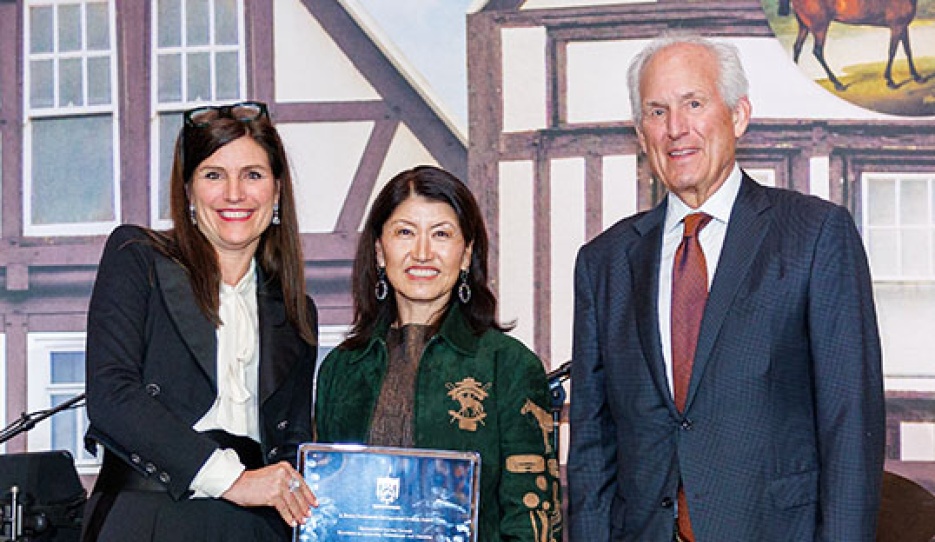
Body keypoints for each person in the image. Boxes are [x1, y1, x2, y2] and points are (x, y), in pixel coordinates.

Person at [567, 35, 885, 542]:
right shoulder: (603, 263)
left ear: (737, 116)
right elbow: (591, 447)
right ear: (639, 133)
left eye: (694, 103)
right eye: (656, 111)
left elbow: (851, 428)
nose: (676, 128)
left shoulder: (815, 235)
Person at [81, 101, 319, 541]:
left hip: (258, 529)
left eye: (253, 174)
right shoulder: (137, 258)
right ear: (188, 191)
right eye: (213, 175)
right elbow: (112, 396)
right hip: (148, 518)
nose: (234, 194)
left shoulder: (296, 310)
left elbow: (293, 444)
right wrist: (233, 480)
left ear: (277, 191)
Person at [315, 165, 562, 541]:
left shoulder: (508, 365)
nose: (422, 252)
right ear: (380, 252)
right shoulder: (342, 367)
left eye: (441, 234)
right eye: (405, 233)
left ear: (466, 255)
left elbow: (529, 520)